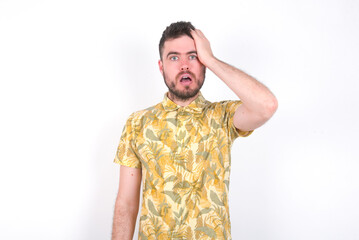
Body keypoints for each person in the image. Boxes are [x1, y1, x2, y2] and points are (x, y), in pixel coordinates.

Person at [112, 21, 278, 240]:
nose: (184, 65)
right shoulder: (137, 124)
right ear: (161, 66)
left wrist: (211, 59)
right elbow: (126, 203)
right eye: (174, 57)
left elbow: (266, 105)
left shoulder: (223, 116)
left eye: (193, 56)